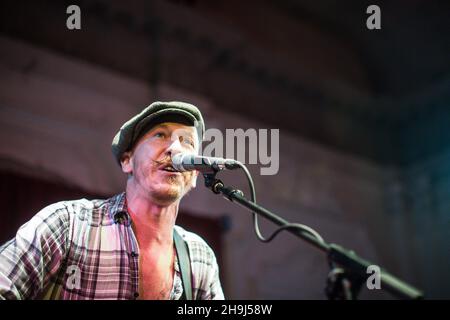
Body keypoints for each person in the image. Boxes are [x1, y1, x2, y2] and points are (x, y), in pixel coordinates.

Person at [0, 101, 225, 300]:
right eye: (160, 135)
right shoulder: (68, 225)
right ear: (127, 160)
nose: (175, 149)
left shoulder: (198, 257)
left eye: (186, 141)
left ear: (195, 175)